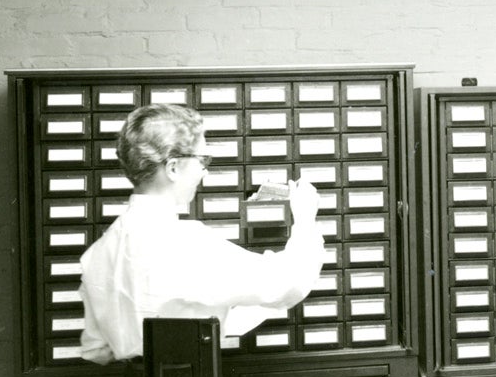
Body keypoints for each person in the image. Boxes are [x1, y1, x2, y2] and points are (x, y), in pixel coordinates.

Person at [78, 103, 326, 362]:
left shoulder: (101, 250)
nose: (204, 170)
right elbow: (289, 282)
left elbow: (96, 350)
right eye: (201, 159)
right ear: (173, 168)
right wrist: (306, 217)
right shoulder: (186, 244)